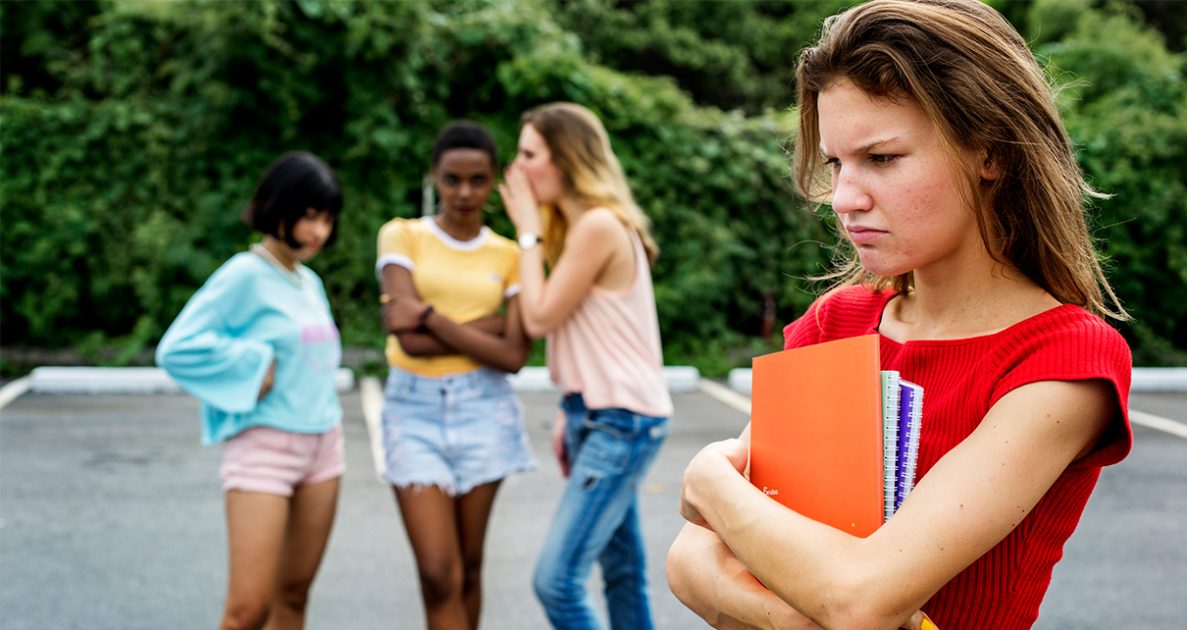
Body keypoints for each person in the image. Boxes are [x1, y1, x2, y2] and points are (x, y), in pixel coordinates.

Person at [665, 1, 1134, 628]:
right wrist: (802, 617)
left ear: (989, 153)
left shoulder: (1064, 360)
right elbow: (690, 561)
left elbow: (859, 596)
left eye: (882, 159)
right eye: (836, 163)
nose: (844, 199)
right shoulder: (837, 323)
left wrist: (706, 482)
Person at [497, 102, 673, 630]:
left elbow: (540, 316)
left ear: (566, 159)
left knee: (556, 582)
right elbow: (583, 334)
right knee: (621, 571)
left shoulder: (597, 225)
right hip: (598, 412)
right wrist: (568, 406)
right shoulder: (584, 226)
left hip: (620, 422)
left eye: (529, 154)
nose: (518, 168)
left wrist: (526, 231)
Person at [156, 151, 346, 630]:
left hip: (324, 446)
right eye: (309, 216)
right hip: (266, 449)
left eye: (326, 219)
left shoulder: (309, 281)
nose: (319, 231)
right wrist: (251, 363)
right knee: (247, 612)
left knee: (295, 597)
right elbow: (176, 348)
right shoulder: (244, 274)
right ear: (278, 208)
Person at [375, 121, 536, 630]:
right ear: (434, 178)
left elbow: (513, 354)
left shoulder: (510, 254)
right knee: (437, 572)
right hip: (412, 411)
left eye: (477, 180)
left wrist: (428, 315)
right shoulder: (402, 234)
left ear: (493, 182)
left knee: (468, 567)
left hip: (483, 409)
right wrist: (483, 330)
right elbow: (410, 342)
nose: (464, 192)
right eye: (452, 180)